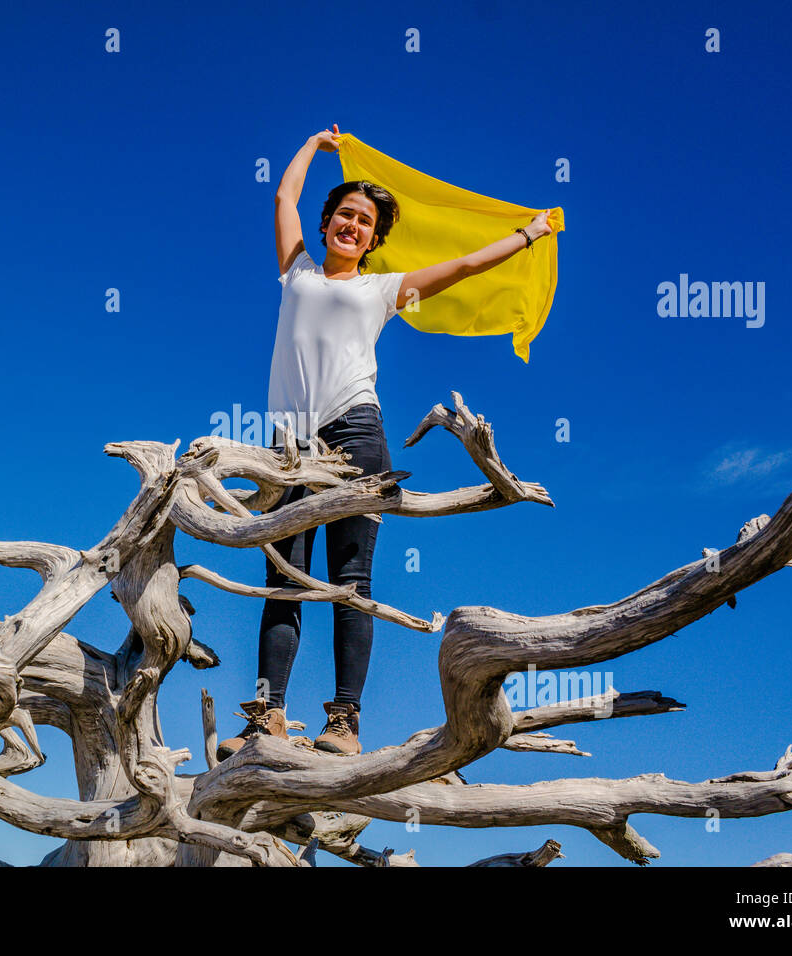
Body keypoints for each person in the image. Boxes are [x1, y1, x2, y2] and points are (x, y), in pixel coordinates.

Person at [217, 124, 553, 760]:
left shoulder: (382, 289)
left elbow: (465, 265)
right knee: (282, 579)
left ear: (373, 240)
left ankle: (344, 722)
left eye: (364, 222)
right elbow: (283, 199)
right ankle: (268, 716)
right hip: (287, 444)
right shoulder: (297, 272)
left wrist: (527, 235)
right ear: (327, 225)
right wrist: (313, 149)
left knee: (350, 580)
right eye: (344, 214)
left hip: (355, 434)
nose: (352, 225)